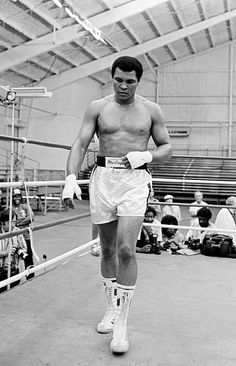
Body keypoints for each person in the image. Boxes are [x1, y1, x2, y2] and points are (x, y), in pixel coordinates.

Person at [62, 56, 171, 354]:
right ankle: (111, 308)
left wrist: (147, 156)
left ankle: (122, 323)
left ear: (139, 81)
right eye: (119, 80)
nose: (123, 86)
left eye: (130, 81)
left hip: (134, 181)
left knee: (126, 249)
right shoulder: (98, 107)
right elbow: (81, 142)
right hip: (103, 178)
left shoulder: (151, 110)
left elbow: (166, 146)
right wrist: (70, 176)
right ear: (112, 77)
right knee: (107, 248)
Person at [0, 208, 28, 291]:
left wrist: (20, 252)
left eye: (14, 222)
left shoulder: (17, 231)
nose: (12, 225)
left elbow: (24, 248)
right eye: (9, 223)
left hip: (13, 270)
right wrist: (4, 253)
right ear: (2, 223)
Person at [12, 188, 35, 279]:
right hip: (15, 238)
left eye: (18, 196)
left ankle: (30, 276)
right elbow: (11, 221)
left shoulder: (25, 207)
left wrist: (19, 222)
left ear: (21, 197)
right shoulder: (11, 208)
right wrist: (20, 221)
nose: (16, 198)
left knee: (29, 257)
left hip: (26, 237)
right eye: (14, 197)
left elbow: (31, 217)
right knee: (14, 258)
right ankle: (13, 278)